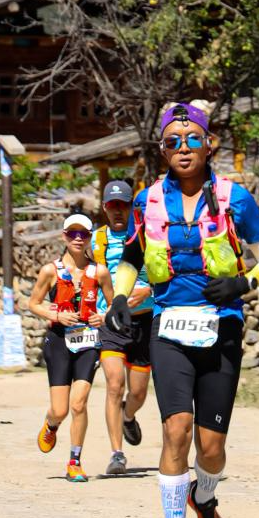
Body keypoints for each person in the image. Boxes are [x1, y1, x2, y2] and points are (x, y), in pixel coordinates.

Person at [105, 103, 259, 518]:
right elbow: (132, 257)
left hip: (222, 326)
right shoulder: (146, 201)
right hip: (168, 326)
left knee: (212, 448)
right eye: (173, 142)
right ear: (162, 150)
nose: (183, 149)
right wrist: (120, 298)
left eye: (192, 140)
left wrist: (243, 283)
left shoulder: (234, 198)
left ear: (209, 145)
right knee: (175, 430)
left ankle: (203, 497)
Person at [26, 212, 104, 482]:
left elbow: (113, 305)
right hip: (59, 340)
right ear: (64, 236)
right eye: (73, 233)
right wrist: (56, 315)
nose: (78, 238)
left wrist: (102, 317)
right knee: (60, 410)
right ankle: (51, 424)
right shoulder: (51, 271)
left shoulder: (99, 272)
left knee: (79, 404)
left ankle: (74, 462)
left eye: (83, 234)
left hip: (88, 342)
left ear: (90, 237)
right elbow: (33, 303)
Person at [92, 180, 155, 475]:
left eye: (123, 206)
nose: (118, 211)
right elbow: (83, 275)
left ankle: (129, 416)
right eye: (112, 206)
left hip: (144, 320)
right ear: (104, 208)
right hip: (111, 323)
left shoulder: (148, 236)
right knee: (114, 385)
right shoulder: (96, 241)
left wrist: (148, 291)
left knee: (138, 392)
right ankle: (117, 454)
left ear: (132, 208)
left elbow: (168, 272)